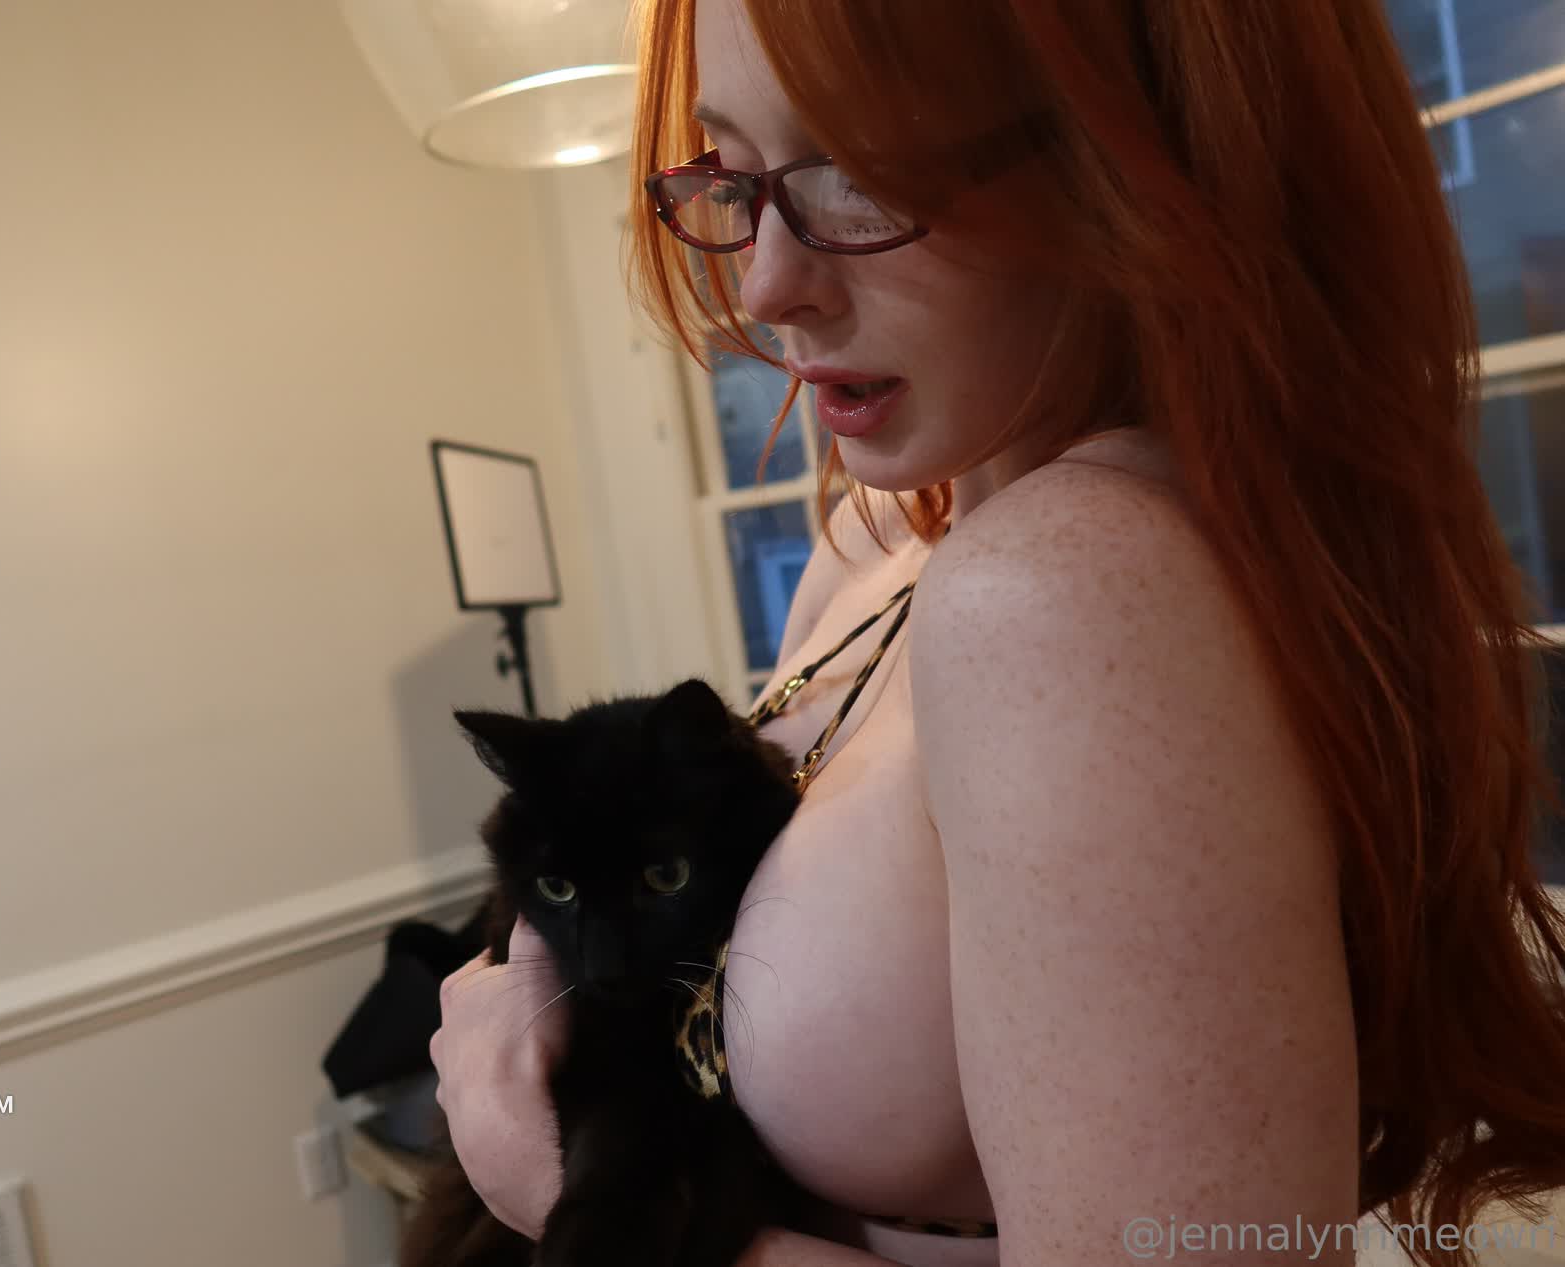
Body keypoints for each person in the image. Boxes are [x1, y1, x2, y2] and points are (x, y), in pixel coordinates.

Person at [428, 1, 1565, 1264]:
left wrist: (549, 1185)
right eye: (733, 180)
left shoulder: (1061, 591)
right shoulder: (879, 536)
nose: (763, 287)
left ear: (1130, 153)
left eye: (862, 175)